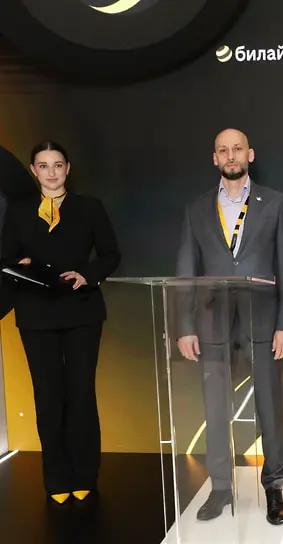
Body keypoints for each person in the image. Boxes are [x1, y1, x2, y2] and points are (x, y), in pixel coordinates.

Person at [176, 128, 283, 525]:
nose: (231, 156)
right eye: (223, 150)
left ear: (250, 154)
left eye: (237, 149)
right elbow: (186, 268)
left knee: (270, 406)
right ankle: (220, 488)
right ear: (215, 158)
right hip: (211, 322)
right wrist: (185, 326)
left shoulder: (275, 203)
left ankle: (274, 486)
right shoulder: (196, 208)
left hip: (263, 319)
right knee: (215, 407)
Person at [0, 141, 120, 504]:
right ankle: (56, 478)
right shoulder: (19, 211)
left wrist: (88, 275)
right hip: (36, 313)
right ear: (34, 171)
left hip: (82, 310)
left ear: (67, 168)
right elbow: (5, 258)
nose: (51, 172)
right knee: (48, 396)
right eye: (43, 165)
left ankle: (85, 474)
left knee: (81, 394)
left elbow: (111, 254)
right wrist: (22, 266)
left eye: (57, 165)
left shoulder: (89, 208)